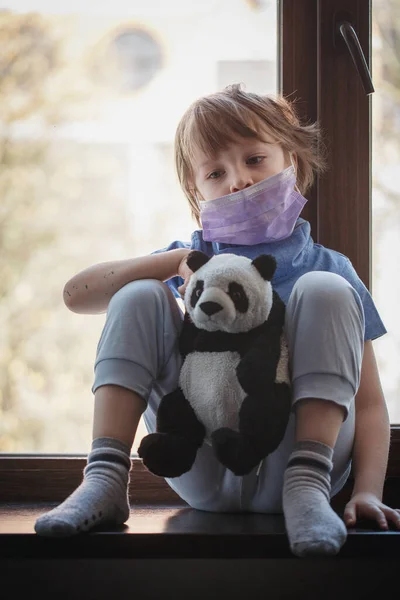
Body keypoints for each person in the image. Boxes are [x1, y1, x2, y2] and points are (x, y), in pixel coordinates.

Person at [34, 84, 400, 556]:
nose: (238, 181)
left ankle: (307, 480)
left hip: (304, 470)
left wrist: (368, 490)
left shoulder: (329, 267)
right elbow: (75, 295)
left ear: (292, 159)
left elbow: (368, 403)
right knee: (140, 294)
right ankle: (104, 476)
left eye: (254, 159)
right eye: (215, 172)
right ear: (196, 190)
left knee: (326, 291)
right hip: (203, 466)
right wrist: (175, 262)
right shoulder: (192, 262)